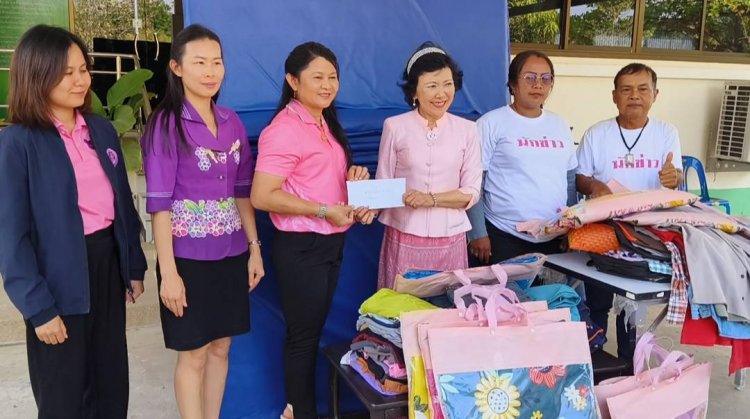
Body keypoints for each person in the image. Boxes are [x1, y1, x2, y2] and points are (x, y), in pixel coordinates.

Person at [0, 25, 147, 418]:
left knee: (110, 385)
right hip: (56, 279)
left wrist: (132, 265)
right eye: (67, 73)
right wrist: (38, 308)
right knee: (64, 398)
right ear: (37, 75)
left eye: (83, 69)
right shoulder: (18, 143)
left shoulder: (101, 130)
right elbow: (11, 237)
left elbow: (123, 204)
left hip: (105, 268)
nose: (81, 80)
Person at [141, 24, 264, 419]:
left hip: (230, 255)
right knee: (192, 353)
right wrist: (169, 274)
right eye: (199, 63)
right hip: (187, 259)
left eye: (217, 62)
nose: (211, 72)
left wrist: (254, 249)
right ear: (177, 68)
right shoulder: (166, 124)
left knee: (221, 347)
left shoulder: (231, 121)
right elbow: (159, 206)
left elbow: (242, 193)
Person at [250, 42, 374, 419]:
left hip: (330, 244)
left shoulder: (324, 123)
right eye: (317, 77)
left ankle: (298, 409)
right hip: (302, 246)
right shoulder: (284, 130)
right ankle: (299, 412)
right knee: (303, 338)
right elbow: (262, 195)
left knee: (311, 333)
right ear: (293, 80)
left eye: (332, 77)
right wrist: (323, 210)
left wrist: (354, 178)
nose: (327, 85)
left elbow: (315, 180)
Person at [575, 63, 683, 364]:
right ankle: (594, 361)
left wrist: (673, 178)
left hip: (646, 234)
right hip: (603, 230)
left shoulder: (666, 133)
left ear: (655, 95)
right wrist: (593, 184)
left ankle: (627, 367)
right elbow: (580, 177)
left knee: (631, 305)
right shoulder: (597, 133)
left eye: (642, 89)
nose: (634, 96)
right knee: (597, 299)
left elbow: (675, 177)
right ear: (614, 96)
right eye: (626, 89)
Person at [375, 42, 482, 289]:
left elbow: (472, 191)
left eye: (447, 84)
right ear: (414, 90)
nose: (441, 94)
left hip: (451, 238)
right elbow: (383, 184)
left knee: (445, 306)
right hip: (405, 234)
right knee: (401, 303)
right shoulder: (395, 126)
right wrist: (365, 206)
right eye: (432, 86)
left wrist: (430, 199)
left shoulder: (468, 130)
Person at [468, 50, 577, 264]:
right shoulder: (490, 123)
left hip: (554, 236)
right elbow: (473, 182)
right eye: (530, 77)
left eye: (545, 78)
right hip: (503, 236)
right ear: (512, 83)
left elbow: (570, 181)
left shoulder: (560, 125)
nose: (538, 84)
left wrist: (571, 228)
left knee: (554, 288)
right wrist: (477, 233)